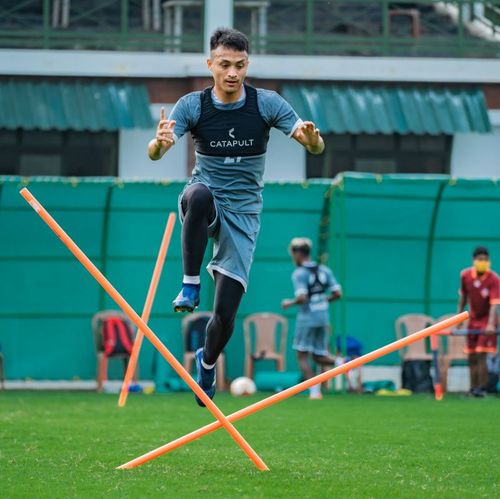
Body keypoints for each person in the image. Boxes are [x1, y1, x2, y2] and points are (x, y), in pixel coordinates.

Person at [147, 28, 325, 406]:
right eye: (225, 65)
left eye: (240, 65)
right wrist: (158, 144)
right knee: (197, 193)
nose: (232, 73)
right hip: (208, 201)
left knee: (225, 315)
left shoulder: (267, 103)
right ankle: (190, 283)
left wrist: (312, 140)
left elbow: (313, 142)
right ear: (210, 64)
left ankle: (207, 363)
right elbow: (156, 152)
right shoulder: (192, 105)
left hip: (244, 214)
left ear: (248, 65)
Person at [281, 238, 341, 399]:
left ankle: (315, 391)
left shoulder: (299, 273)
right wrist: (323, 301)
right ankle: (341, 363)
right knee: (319, 355)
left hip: (307, 318)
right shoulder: (324, 270)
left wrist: (289, 303)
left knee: (302, 355)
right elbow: (337, 294)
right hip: (323, 317)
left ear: (297, 253)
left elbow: (302, 297)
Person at [458, 246, 499, 397]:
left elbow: (494, 305)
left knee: (482, 355)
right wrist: (459, 318)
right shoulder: (465, 275)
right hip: (473, 320)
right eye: (480, 260)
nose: (483, 262)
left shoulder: (494, 278)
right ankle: (472, 388)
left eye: (485, 260)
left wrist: (490, 324)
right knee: (471, 356)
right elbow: (463, 298)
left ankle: (481, 389)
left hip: (488, 320)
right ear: (474, 260)